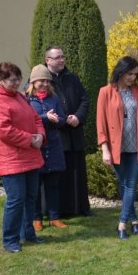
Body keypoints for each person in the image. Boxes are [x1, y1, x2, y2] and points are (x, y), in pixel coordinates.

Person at [0, 62, 46, 253]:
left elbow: (36, 118)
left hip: (30, 155)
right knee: (16, 199)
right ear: (0, 80)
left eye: (19, 78)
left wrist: (40, 136)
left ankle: (28, 234)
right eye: (13, 80)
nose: (17, 82)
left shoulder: (19, 97)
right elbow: (4, 130)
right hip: (11, 158)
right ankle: (10, 240)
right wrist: (30, 139)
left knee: (30, 198)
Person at [96, 56, 138, 240]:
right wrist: (104, 149)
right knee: (124, 184)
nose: (132, 78)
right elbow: (101, 123)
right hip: (116, 149)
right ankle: (134, 221)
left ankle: (122, 224)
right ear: (120, 71)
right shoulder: (105, 92)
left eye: (135, 74)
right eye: (129, 73)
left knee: (131, 184)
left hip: (136, 147)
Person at [44, 46, 91, 217]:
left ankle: (81, 208)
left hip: (75, 135)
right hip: (56, 137)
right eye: (57, 57)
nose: (62, 60)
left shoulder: (73, 79)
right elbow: (37, 104)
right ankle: (59, 211)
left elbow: (85, 100)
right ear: (47, 60)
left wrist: (78, 117)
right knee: (59, 178)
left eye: (63, 56)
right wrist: (62, 120)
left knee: (77, 174)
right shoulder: (42, 81)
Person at [26, 64, 68, 231]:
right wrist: (45, 117)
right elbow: (28, 121)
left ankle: (54, 217)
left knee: (53, 185)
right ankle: (37, 219)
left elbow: (63, 118)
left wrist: (59, 120)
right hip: (37, 147)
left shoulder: (54, 98)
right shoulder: (27, 99)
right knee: (35, 186)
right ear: (33, 82)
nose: (44, 84)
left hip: (54, 146)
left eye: (46, 81)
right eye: (40, 81)